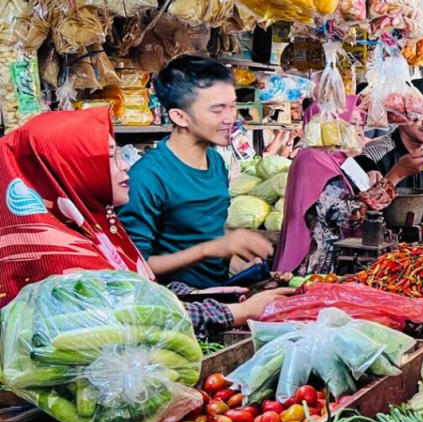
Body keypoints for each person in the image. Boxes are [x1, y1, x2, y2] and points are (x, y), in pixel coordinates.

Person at [0, 109, 292, 338]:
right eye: (111, 157)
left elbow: (134, 289)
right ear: (69, 171)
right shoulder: (58, 255)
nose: (126, 166)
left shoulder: (93, 229)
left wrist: (198, 295)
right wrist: (239, 312)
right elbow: (132, 320)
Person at [118, 56, 273, 290]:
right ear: (180, 116)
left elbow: (204, 239)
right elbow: (133, 266)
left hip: (218, 298)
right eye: (217, 109)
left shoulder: (216, 162)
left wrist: (241, 267)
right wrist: (213, 248)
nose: (230, 117)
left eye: (232, 106)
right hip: (176, 308)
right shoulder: (147, 178)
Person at [273, 98, 394, 275]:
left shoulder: (339, 160)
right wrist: (396, 175)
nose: (360, 131)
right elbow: (348, 214)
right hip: (313, 270)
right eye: (352, 124)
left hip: (333, 267)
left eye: (361, 124)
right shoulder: (313, 159)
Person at [357, 78, 423, 239]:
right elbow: (361, 223)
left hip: (414, 257)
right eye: (419, 114)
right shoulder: (371, 156)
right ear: (401, 116)